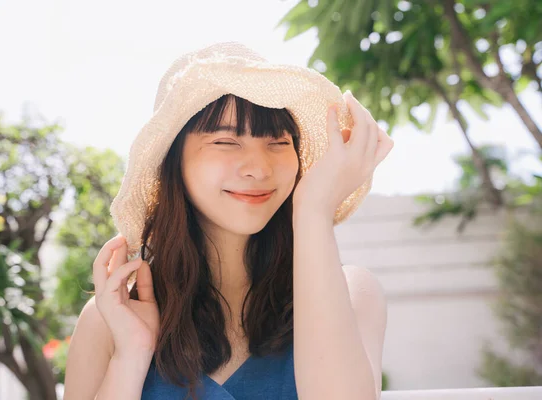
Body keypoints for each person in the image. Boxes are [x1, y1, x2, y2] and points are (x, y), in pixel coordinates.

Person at [63, 41, 393, 400]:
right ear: (175, 164)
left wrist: (313, 212)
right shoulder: (109, 320)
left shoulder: (352, 292)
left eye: (279, 143)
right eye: (225, 141)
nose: (258, 167)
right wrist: (131, 355)